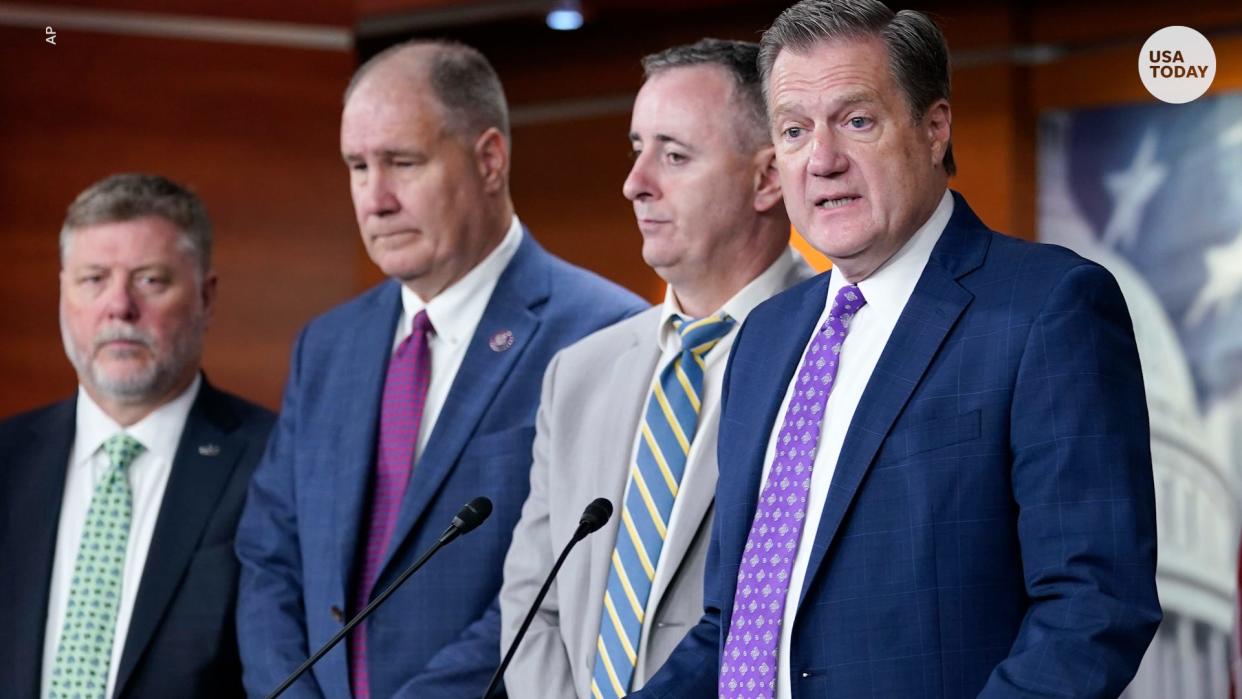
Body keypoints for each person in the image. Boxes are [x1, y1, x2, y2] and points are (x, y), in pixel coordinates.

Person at [634, 2, 1161, 697]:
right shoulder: (764, 337)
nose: (822, 160)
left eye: (856, 121)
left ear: (934, 127)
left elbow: (1094, 604)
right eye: (794, 131)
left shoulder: (1047, 308)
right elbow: (734, 622)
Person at [234, 40, 646, 699]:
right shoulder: (327, 345)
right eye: (356, 166)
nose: (376, 198)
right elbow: (270, 557)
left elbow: (565, 583)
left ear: (489, 159)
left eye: (402, 162)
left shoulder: (605, 333)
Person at [498, 38, 814, 699]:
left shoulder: (831, 354)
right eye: (636, 148)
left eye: (673, 155)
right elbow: (533, 602)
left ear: (766, 178)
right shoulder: (578, 372)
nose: (635, 182)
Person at [0, 173, 276, 699]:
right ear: (63, 295)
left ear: (206, 297)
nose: (119, 306)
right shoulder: (6, 462)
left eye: (150, 280)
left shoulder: (275, 463)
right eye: (94, 279)